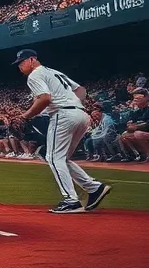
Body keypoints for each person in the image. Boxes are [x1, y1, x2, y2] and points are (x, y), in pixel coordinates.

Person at [13, 50, 112, 213]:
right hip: (80, 114)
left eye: (22, 62)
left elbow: (45, 98)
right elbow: (81, 90)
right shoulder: (54, 72)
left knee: (52, 157)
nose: (19, 66)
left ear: (32, 59)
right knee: (62, 158)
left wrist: (25, 116)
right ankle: (94, 188)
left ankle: (71, 200)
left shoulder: (35, 75)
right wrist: (76, 105)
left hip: (63, 114)